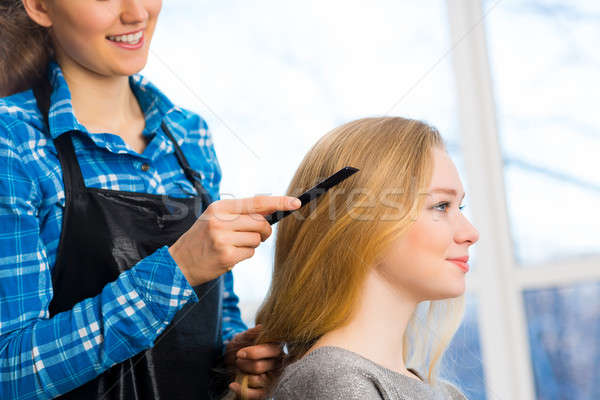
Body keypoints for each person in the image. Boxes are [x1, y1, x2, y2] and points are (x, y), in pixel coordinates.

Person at [0, 1, 300, 399]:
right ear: (39, 6)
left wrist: (232, 356)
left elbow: (217, 311)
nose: (136, 13)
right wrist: (179, 270)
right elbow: (10, 372)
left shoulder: (189, 135)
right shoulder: (13, 140)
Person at [230, 117, 480, 399]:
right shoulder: (334, 382)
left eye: (460, 206)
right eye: (441, 206)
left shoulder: (443, 393)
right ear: (360, 226)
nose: (471, 233)